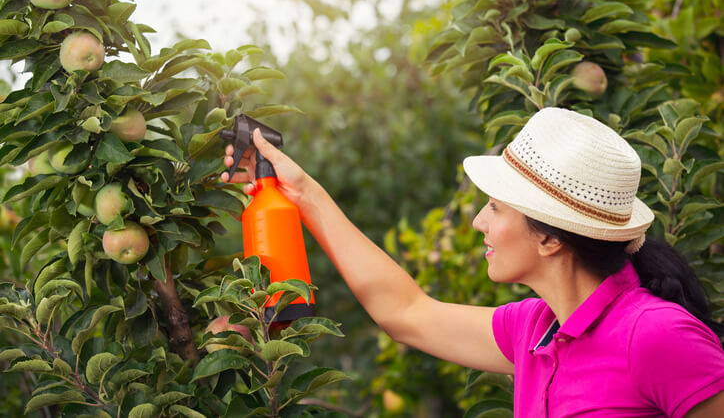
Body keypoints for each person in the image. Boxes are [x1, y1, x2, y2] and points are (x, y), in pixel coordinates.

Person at [221, 107, 724, 417]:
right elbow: (407, 312)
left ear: (550, 240)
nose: (479, 221)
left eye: (496, 207)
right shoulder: (536, 331)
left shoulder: (655, 335)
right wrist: (301, 192)